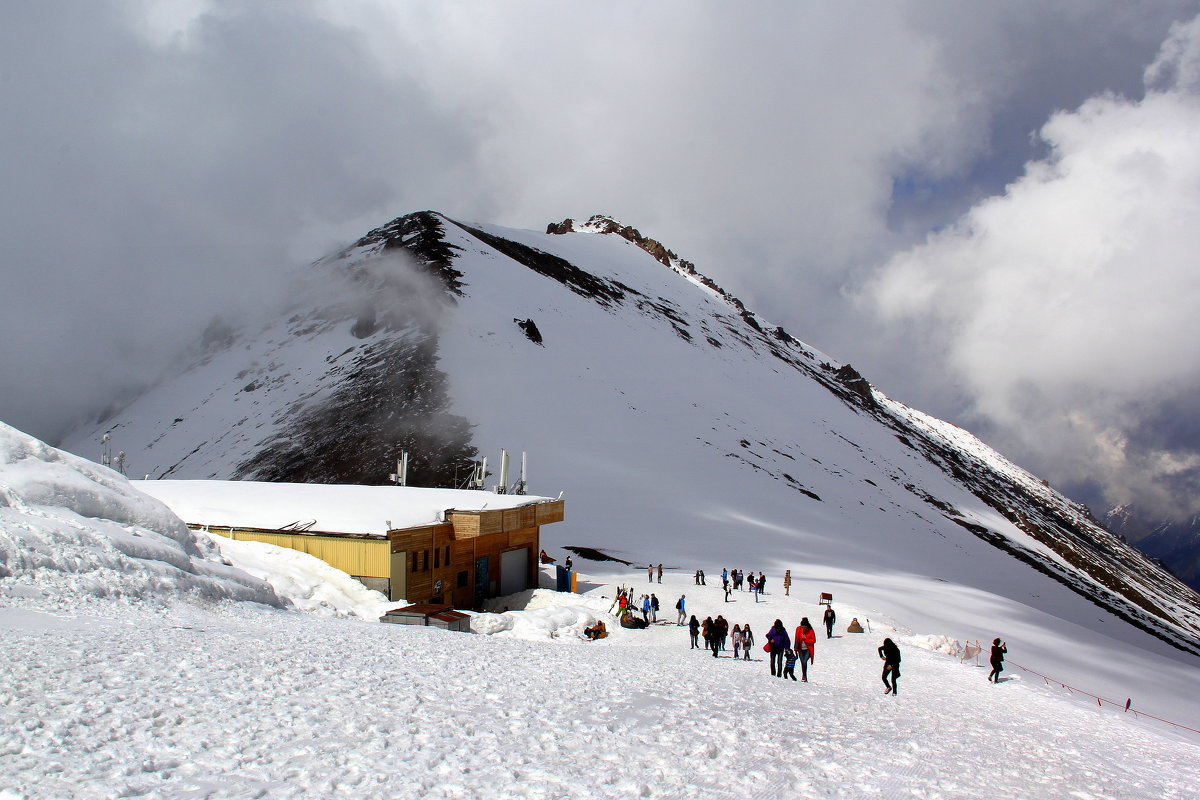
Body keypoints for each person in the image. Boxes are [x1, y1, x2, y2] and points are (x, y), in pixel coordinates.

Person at [794, 617, 816, 682]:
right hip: (800, 649)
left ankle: (804, 676)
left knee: (804, 661)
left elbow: (813, 640)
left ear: (807, 626)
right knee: (802, 662)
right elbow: (796, 639)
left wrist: (805, 639)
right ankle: (804, 676)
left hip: (808, 649)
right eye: (802, 627)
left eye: (804, 627)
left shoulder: (811, 631)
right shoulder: (798, 629)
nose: (802, 628)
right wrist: (795, 648)